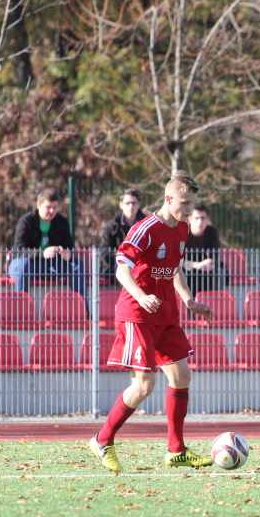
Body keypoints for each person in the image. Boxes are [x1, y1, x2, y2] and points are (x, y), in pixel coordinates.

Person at [89, 172, 214, 475]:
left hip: (166, 313)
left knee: (182, 375)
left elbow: (175, 269)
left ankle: (176, 451)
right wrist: (142, 295)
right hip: (138, 313)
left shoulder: (182, 229)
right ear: (168, 199)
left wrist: (187, 299)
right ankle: (102, 439)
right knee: (144, 385)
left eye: (192, 204)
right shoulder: (145, 228)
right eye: (184, 204)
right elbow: (121, 269)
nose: (188, 210)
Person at [8, 190, 86, 298]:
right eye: (48, 207)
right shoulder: (26, 221)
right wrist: (42, 253)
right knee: (23, 266)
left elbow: (69, 247)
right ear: (38, 205)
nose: (52, 211)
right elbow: (19, 251)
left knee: (77, 265)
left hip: (51, 265)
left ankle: (83, 309)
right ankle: (22, 310)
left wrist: (68, 254)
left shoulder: (62, 222)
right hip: (27, 264)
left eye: (55, 207)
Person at [100, 188, 147, 284]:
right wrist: (122, 257)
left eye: (134, 203)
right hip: (117, 267)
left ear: (139, 205)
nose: (131, 206)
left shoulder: (146, 224)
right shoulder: (111, 226)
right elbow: (104, 250)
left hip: (140, 266)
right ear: (121, 205)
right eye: (127, 203)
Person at [183, 204, 227, 295]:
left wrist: (208, 263)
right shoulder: (183, 232)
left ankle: (211, 302)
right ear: (190, 219)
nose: (200, 222)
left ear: (207, 219)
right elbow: (178, 260)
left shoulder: (212, 232)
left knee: (219, 272)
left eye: (203, 218)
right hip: (187, 269)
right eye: (196, 218)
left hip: (206, 269)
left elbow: (214, 256)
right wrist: (196, 265)